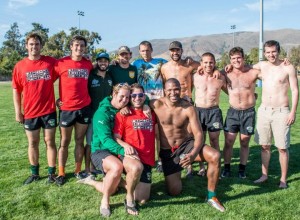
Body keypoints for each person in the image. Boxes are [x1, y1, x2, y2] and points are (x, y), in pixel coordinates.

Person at [150, 78, 225, 212]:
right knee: (174, 192)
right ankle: (176, 171)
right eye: (170, 90)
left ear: (181, 89)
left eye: (176, 89)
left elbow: (199, 135)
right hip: (168, 152)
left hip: (186, 146)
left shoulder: (188, 107)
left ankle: (211, 196)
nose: (173, 93)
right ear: (164, 90)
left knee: (215, 156)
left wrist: (193, 154)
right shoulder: (155, 104)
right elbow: (133, 101)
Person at [78, 83, 143, 217]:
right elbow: (106, 140)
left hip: (118, 149)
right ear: (113, 94)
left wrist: (146, 105)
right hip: (100, 151)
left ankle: (128, 196)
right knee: (116, 169)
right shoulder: (101, 113)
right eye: (122, 96)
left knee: (137, 167)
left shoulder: (124, 107)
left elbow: (142, 98)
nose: (124, 100)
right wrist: (123, 151)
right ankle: (104, 199)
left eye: (127, 97)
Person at [12, 33, 57, 184]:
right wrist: (18, 112)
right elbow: (16, 90)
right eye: (31, 44)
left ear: (41, 46)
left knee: (49, 142)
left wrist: (91, 62)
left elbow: (67, 66)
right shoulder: (19, 66)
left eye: (37, 44)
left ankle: (52, 173)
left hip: (49, 110)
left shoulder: (50, 62)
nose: (34, 47)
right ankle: (35, 173)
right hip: (30, 112)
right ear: (26, 46)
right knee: (33, 143)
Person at [253, 40, 299, 188]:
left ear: (279, 51)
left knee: (282, 148)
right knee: (264, 146)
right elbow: (242, 68)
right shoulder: (261, 66)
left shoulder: (288, 67)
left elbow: (295, 90)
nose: (271, 55)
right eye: (268, 52)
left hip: (282, 112)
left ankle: (283, 179)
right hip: (264, 111)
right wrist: (228, 66)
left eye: (273, 51)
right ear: (264, 53)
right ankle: (264, 175)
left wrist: (293, 112)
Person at [54, 35, 93, 185]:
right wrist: (56, 99)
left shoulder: (88, 64)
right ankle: (61, 172)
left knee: (79, 141)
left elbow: (100, 67)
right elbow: (46, 82)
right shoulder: (61, 63)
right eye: (76, 45)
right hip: (67, 109)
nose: (79, 48)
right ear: (71, 47)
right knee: (64, 142)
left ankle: (78, 170)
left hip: (84, 108)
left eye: (82, 46)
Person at [221, 47, 260, 179]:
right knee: (228, 141)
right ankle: (226, 168)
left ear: (243, 58)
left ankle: (242, 169)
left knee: (244, 142)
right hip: (233, 112)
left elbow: (270, 72)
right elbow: (212, 71)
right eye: (233, 58)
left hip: (248, 113)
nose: (236, 60)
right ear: (230, 60)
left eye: (239, 58)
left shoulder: (253, 72)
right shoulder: (226, 73)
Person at [114, 83, 156, 204]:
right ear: (129, 97)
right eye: (134, 95)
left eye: (140, 95)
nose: (137, 98)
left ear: (144, 96)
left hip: (147, 158)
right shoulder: (123, 114)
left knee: (143, 199)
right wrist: (126, 146)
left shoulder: (151, 113)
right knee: (136, 169)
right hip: (132, 156)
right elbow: (116, 137)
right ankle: (127, 194)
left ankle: (123, 182)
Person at [132, 40, 167, 173]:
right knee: (143, 133)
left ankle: (160, 160)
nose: (145, 53)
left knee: (159, 134)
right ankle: (143, 159)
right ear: (139, 52)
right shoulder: (136, 64)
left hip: (158, 103)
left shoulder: (161, 62)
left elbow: (175, 66)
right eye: (142, 51)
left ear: (151, 50)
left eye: (147, 50)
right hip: (141, 103)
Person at [193, 52, 227, 176]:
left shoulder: (220, 77)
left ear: (215, 63)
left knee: (214, 140)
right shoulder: (196, 76)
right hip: (198, 111)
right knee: (200, 140)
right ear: (201, 63)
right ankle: (202, 167)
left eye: (211, 62)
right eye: (205, 62)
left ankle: (215, 165)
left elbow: (231, 92)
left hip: (214, 111)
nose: (208, 65)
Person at [85, 52, 113, 175]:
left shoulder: (110, 77)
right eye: (100, 61)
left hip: (106, 115)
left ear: (108, 63)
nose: (103, 63)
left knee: (103, 140)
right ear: (97, 62)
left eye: (105, 61)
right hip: (92, 114)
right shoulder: (91, 76)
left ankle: (98, 165)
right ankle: (88, 168)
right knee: (90, 142)